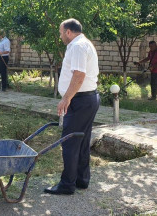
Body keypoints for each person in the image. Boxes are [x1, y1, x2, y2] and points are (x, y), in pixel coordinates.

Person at [44, 18, 100, 195]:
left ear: (68, 32)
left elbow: (79, 75)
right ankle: (81, 180)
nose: (61, 36)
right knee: (82, 142)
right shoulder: (84, 43)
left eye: (61, 33)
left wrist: (66, 99)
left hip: (79, 101)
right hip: (88, 99)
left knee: (69, 143)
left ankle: (67, 185)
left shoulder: (77, 46)